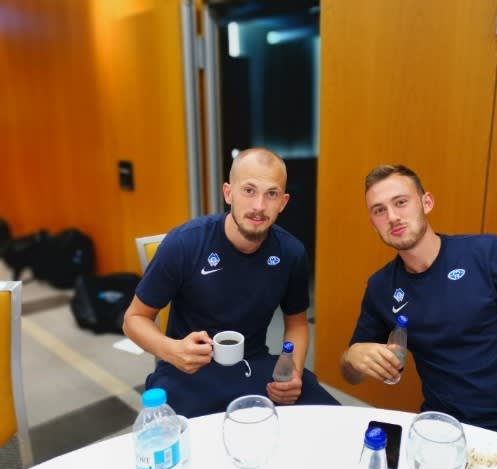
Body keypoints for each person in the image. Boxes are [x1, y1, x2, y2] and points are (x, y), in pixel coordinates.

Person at [340, 164, 497, 461]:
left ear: (426, 202)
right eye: (379, 210)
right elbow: (350, 374)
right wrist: (352, 356)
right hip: (444, 432)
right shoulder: (381, 287)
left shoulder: (486, 253)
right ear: (373, 222)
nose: (392, 216)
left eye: (401, 202)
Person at [123, 147, 338, 417]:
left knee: (333, 421)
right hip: (189, 370)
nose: (259, 206)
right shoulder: (185, 242)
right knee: (185, 439)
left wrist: (290, 371)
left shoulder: (291, 253)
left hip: (255, 364)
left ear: (283, 202)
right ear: (228, 193)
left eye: (271, 194)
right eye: (249, 190)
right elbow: (133, 319)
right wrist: (172, 350)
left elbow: (297, 324)